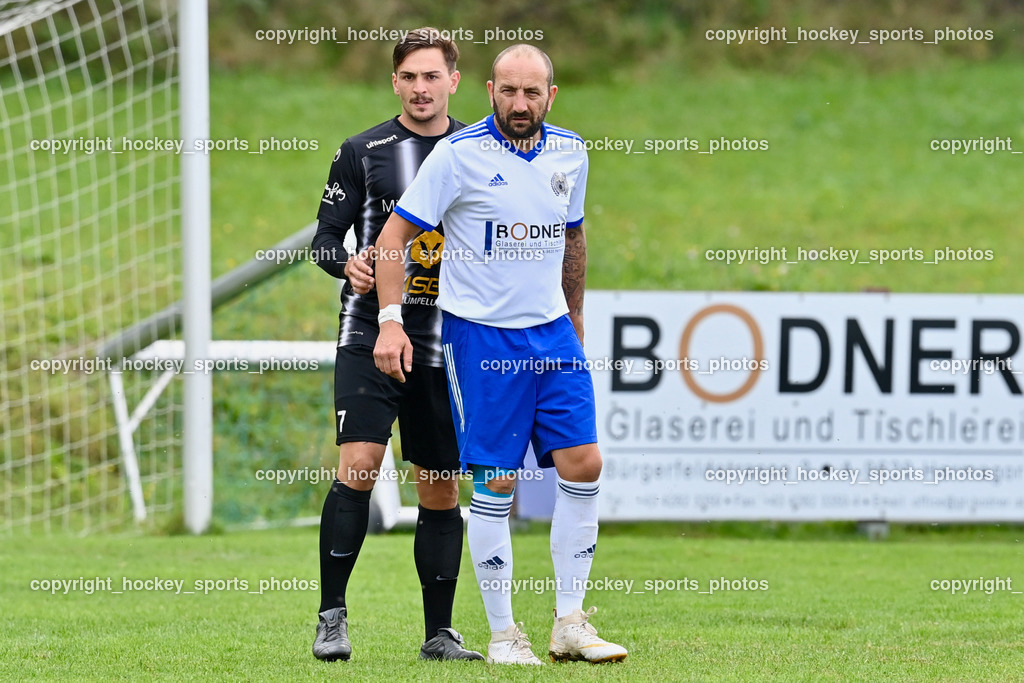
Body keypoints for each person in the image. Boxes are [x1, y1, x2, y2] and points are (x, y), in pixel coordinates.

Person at [373, 44, 628, 665]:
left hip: (554, 336)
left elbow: (572, 236)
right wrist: (389, 322)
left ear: (551, 95)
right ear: (489, 90)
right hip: (481, 337)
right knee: (495, 483)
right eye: (508, 91)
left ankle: (570, 622)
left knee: (585, 464)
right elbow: (392, 239)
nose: (519, 103)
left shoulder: (571, 151)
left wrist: (576, 318)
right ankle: (504, 634)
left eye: (531, 92)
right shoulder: (457, 156)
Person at [309, 27, 483, 662]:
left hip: (447, 343)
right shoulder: (363, 151)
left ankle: (439, 633)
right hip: (369, 335)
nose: (420, 88)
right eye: (409, 76)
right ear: (394, 82)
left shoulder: (475, 152)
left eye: (431, 76)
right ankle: (332, 617)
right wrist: (347, 264)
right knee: (357, 467)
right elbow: (325, 238)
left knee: (439, 486)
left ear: (454, 81)